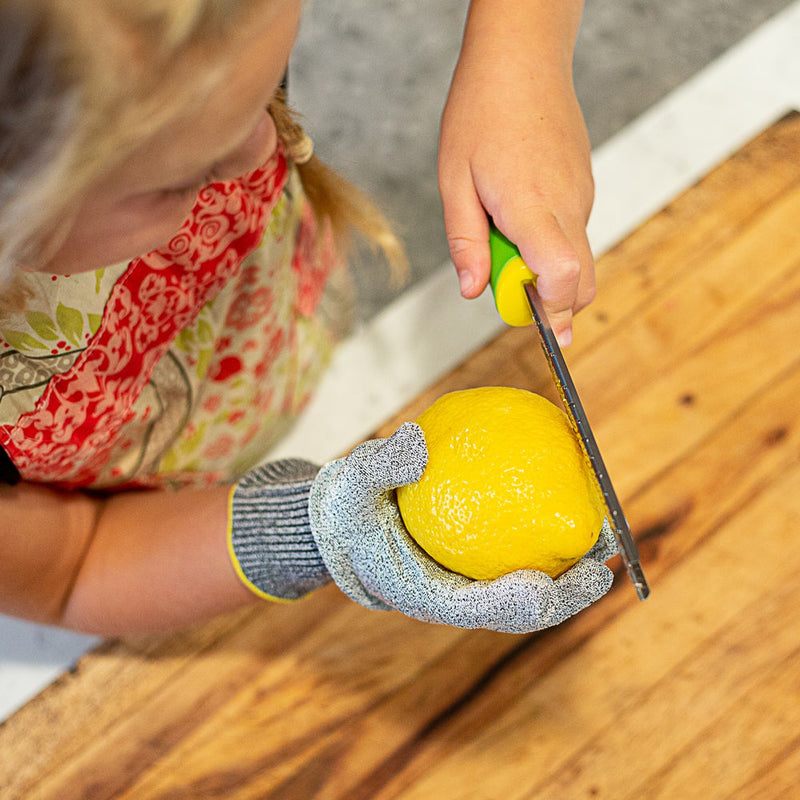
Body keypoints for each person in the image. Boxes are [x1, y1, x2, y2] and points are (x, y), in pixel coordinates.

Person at [0, 0, 613, 637]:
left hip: (271, 318)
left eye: (269, 89)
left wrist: (521, 56)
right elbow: (70, 568)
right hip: (151, 504)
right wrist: (315, 534)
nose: (271, 147)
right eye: (185, 178)